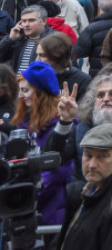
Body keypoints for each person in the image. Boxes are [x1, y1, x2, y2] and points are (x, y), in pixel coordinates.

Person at [15, 61, 72, 226]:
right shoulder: (25, 121)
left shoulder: (62, 125)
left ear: (40, 92)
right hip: (27, 206)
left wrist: (27, 192)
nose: (20, 96)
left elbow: (58, 171)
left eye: (25, 90)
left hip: (51, 208)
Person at [0, 5, 51, 73]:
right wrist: (10, 39)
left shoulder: (53, 39)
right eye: (24, 21)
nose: (26, 25)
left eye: (31, 20)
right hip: (15, 82)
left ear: (44, 21)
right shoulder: (18, 39)